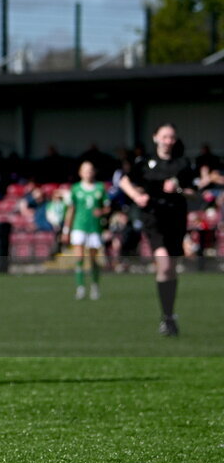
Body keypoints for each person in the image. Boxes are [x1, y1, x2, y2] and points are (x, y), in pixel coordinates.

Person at [118, 123, 196, 336]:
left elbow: (193, 192)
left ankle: (168, 316)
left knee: (169, 269)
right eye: (164, 137)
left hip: (176, 220)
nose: (168, 141)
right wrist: (136, 196)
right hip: (154, 219)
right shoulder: (144, 163)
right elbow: (124, 181)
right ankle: (167, 317)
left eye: (171, 137)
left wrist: (178, 189)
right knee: (162, 263)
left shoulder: (182, 163)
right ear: (156, 138)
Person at [62, 161, 110, 300]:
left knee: (94, 259)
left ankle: (95, 286)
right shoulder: (76, 189)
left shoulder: (100, 188)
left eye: (90, 170)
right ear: (80, 173)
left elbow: (107, 207)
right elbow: (71, 209)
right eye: (85, 170)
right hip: (79, 226)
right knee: (79, 257)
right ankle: (80, 287)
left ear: (94, 172)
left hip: (95, 227)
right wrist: (66, 230)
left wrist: (101, 211)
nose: (88, 173)